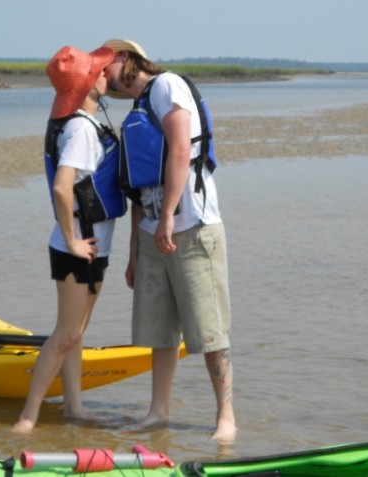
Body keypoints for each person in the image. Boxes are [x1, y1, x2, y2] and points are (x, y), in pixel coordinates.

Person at [100, 38, 237, 443]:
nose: (101, 75)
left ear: (124, 58)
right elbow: (139, 189)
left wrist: (169, 215)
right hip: (151, 234)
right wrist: (134, 251)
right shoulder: (138, 108)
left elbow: (180, 151)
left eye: (104, 65)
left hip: (193, 226)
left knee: (209, 329)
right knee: (159, 331)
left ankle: (226, 416)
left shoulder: (167, 86)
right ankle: (158, 411)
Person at [13, 44, 125, 434]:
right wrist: (73, 240)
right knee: (65, 335)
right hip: (79, 247)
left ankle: (74, 408)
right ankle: (28, 416)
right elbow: (63, 189)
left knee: (75, 334)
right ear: (87, 84)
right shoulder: (79, 128)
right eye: (100, 71)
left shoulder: (84, 122)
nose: (106, 73)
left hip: (93, 245)